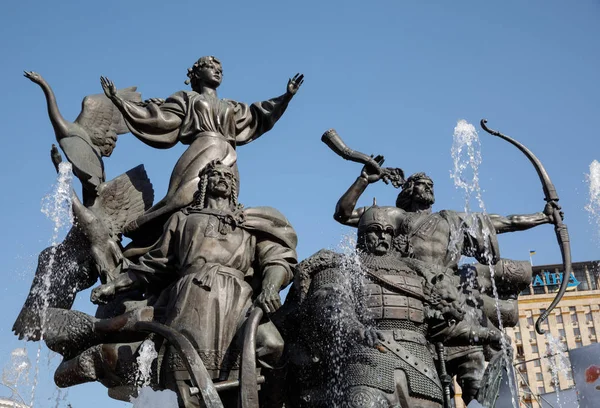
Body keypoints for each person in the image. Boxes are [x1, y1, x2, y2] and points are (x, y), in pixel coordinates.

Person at [333, 167, 561, 404]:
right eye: (422, 183)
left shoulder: (452, 219)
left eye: (431, 183)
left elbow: (503, 222)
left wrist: (542, 217)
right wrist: (363, 181)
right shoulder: (396, 216)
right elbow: (344, 214)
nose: (429, 186)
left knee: (474, 370)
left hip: (450, 300)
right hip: (413, 296)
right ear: (409, 189)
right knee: (430, 382)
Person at [91, 160, 298, 407]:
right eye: (215, 175)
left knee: (274, 345)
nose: (222, 178)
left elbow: (277, 259)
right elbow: (153, 264)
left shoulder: (249, 222)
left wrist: (271, 287)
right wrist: (114, 286)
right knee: (187, 373)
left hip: (237, 298)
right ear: (204, 183)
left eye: (227, 176)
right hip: (192, 297)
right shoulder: (182, 219)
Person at [100, 56, 303, 248]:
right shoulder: (187, 99)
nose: (217, 71)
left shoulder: (231, 106)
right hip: (202, 149)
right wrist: (119, 100)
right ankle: (145, 230)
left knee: (223, 206)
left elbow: (258, 115)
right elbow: (160, 120)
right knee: (181, 199)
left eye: (220, 70)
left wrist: (286, 97)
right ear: (197, 74)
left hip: (228, 157)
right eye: (211, 67)